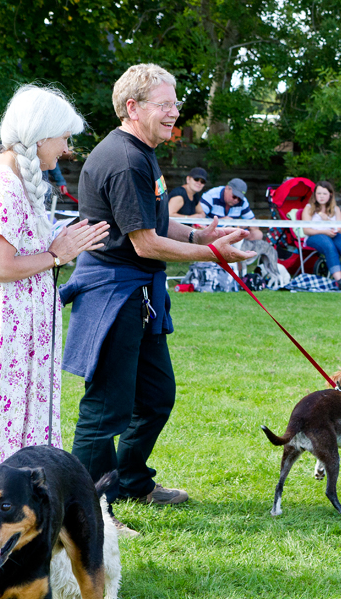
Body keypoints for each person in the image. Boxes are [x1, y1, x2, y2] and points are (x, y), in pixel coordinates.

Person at [61, 64, 255, 519]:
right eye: (165, 104)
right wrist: (215, 257)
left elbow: (155, 223)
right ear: (133, 107)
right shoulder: (125, 159)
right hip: (113, 294)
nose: (175, 112)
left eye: (175, 103)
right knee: (105, 411)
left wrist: (202, 238)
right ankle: (90, 512)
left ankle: (130, 482)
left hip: (139, 294)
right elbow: (144, 243)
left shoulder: (142, 151)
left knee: (155, 397)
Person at [0, 85, 110, 500]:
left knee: (23, 433)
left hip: (22, 336)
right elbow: (0, 267)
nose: (66, 148)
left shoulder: (15, 180)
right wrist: (58, 254)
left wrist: (62, 244)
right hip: (4, 336)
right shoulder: (1, 184)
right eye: (63, 138)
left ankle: (26, 514)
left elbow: (20, 250)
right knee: (0, 432)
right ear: (41, 136)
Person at [300, 180, 341, 287]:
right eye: (319, 193)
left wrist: (328, 222)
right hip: (315, 235)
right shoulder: (308, 208)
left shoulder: (336, 209)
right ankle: (339, 281)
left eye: (324, 194)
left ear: (330, 195)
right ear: (315, 195)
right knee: (329, 246)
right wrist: (324, 231)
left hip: (333, 234)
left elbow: (340, 229)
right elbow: (306, 230)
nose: (321, 196)